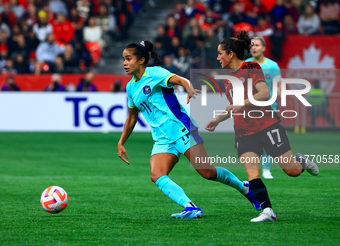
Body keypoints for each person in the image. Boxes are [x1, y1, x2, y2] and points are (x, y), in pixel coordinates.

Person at [117, 40, 261, 219]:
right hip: (162, 138)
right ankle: (190, 206)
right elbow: (132, 117)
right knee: (157, 175)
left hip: (181, 129)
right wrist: (121, 141)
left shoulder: (155, 73)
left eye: (128, 59)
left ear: (141, 60)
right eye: (123, 59)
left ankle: (244, 187)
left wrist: (188, 86)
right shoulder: (131, 87)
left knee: (207, 172)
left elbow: (178, 79)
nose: (124, 63)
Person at [205, 31, 319, 222]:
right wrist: (218, 119)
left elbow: (265, 93)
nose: (218, 58)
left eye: (220, 53)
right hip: (243, 132)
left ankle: (301, 161)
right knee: (252, 173)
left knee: (292, 171)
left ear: (231, 54)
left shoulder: (251, 66)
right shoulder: (228, 79)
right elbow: (234, 106)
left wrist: (243, 103)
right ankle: (268, 211)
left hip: (267, 125)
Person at [245, 36, 281, 179]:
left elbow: (278, 85)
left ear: (264, 48)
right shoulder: (245, 65)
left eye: (257, 45)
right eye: (252, 45)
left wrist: (278, 93)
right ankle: (254, 170)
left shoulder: (272, 66)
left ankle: (266, 169)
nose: (254, 47)